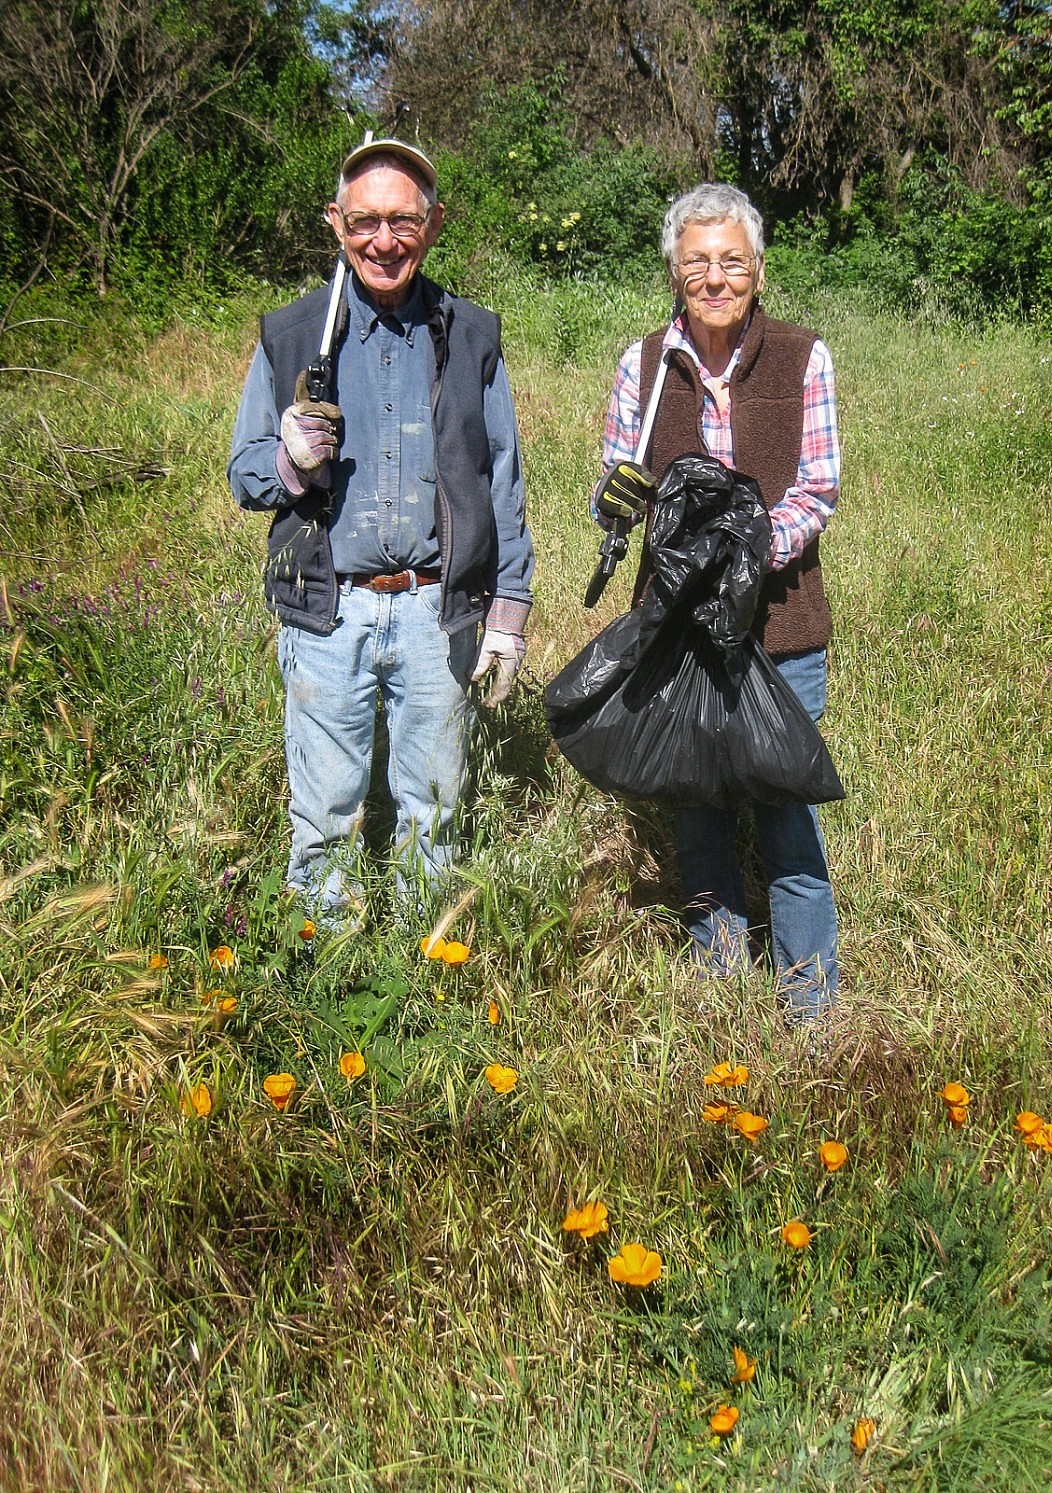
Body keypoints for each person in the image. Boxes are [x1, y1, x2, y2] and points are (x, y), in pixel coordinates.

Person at [229, 138, 534, 925]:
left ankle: (427, 978)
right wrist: (292, 461)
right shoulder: (293, 334)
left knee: (434, 815)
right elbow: (243, 473)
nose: (384, 240)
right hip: (328, 613)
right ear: (336, 222)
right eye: (365, 220)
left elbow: (500, 474)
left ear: (435, 225)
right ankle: (328, 972)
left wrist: (507, 615)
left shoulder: (471, 335)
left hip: (439, 612)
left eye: (404, 219)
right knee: (326, 818)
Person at [595, 182, 840, 1021]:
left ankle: (811, 1014)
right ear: (674, 270)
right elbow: (618, 470)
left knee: (785, 816)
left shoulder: (806, 356)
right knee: (696, 808)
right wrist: (619, 501)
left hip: (783, 627)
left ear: (759, 270)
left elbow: (819, 487)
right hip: (678, 632)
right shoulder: (645, 362)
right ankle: (722, 990)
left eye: (731, 261)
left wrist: (751, 549)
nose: (714, 277)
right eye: (696, 261)